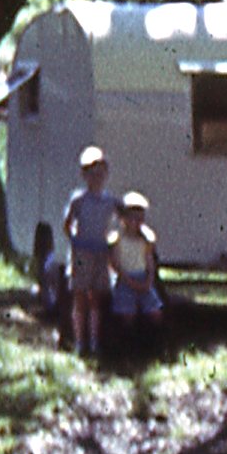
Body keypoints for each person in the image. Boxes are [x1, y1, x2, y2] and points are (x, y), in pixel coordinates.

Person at [62, 145, 120, 357]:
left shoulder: (110, 201)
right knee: (79, 297)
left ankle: (94, 341)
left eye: (100, 172)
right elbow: (67, 224)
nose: (96, 177)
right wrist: (75, 242)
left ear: (106, 174)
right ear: (84, 175)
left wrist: (112, 242)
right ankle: (79, 341)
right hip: (81, 254)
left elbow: (124, 219)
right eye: (91, 173)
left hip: (100, 253)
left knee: (96, 298)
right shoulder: (78, 199)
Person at [109, 191, 164, 345]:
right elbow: (114, 264)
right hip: (125, 279)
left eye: (139, 217)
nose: (135, 221)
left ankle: (154, 342)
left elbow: (149, 261)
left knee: (155, 312)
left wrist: (149, 280)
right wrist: (128, 280)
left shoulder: (146, 240)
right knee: (128, 314)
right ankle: (129, 344)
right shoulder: (117, 239)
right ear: (123, 218)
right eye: (131, 217)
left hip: (143, 277)